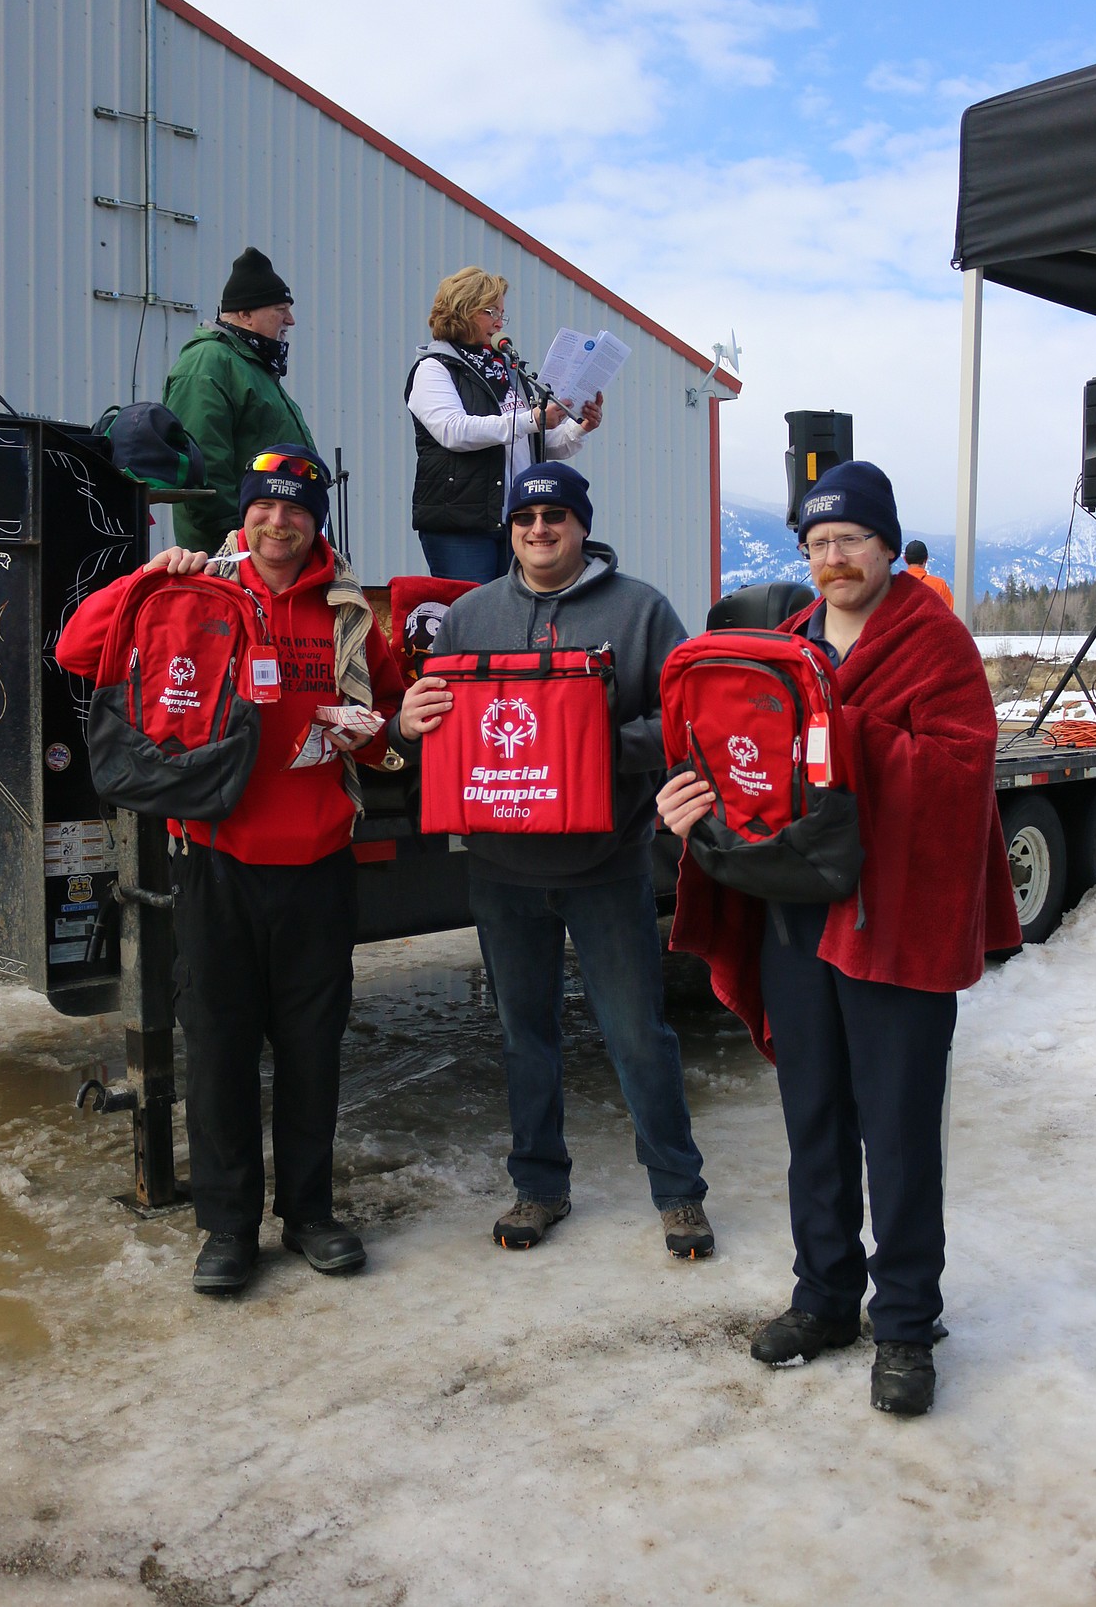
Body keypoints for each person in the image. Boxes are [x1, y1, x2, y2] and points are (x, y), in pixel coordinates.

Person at [658, 460, 1019, 1415]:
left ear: (886, 544)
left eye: (849, 540)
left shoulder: (935, 642)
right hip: (797, 913)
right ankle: (824, 1296)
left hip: (893, 921)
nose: (831, 559)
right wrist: (696, 804)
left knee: (898, 1132)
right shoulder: (785, 644)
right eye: (815, 544)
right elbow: (743, 759)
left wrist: (837, 730)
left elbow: (958, 768)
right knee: (813, 1118)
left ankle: (904, 1324)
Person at [57, 445, 404, 1294]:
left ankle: (312, 1214)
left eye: (296, 509)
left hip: (320, 860)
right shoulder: (194, 588)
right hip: (213, 859)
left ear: (316, 520)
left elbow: (391, 712)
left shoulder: (348, 610)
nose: (278, 522)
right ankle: (227, 1228)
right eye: (264, 507)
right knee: (215, 1050)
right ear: (242, 513)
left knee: (312, 1049)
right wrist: (144, 578)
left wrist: (376, 732)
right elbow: (74, 647)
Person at [394, 461, 713, 1257]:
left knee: (638, 1034)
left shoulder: (640, 611)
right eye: (526, 519)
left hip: (606, 867)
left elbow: (687, 720)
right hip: (501, 870)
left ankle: (678, 1192)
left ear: (582, 524)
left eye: (556, 517)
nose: (540, 530)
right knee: (522, 1034)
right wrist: (409, 719)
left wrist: (596, 741)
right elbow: (441, 725)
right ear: (509, 529)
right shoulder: (467, 615)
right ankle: (539, 1186)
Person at [407, 266, 604, 585]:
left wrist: (579, 427)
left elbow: (536, 444)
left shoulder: (507, 372)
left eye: (502, 313)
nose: (499, 322)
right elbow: (454, 431)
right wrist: (531, 419)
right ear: (462, 310)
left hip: (517, 522)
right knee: (473, 620)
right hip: (462, 525)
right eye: (490, 311)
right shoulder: (434, 368)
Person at [164, 246, 317, 554]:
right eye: (280, 309)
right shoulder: (208, 365)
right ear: (246, 314)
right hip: (239, 555)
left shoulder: (248, 365)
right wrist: (234, 545)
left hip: (268, 547)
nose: (291, 320)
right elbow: (206, 470)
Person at [903, 538, 954, 609]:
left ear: (905, 559)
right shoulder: (940, 585)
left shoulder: (894, 586)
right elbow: (949, 615)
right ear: (926, 559)